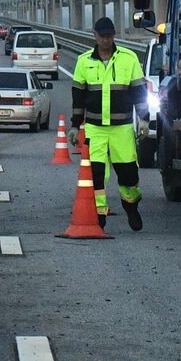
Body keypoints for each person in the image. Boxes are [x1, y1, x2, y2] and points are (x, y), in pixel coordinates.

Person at [68, 16, 148, 230]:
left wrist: (144, 120)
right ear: (95, 36)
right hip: (95, 129)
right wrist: (75, 125)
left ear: (114, 35)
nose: (106, 40)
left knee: (129, 174)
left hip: (122, 129)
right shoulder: (84, 61)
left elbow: (139, 92)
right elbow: (78, 97)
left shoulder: (128, 58)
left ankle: (131, 207)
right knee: (96, 175)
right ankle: (99, 216)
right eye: (102, 36)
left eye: (110, 36)